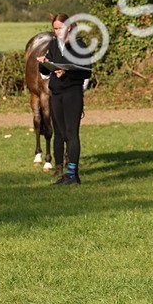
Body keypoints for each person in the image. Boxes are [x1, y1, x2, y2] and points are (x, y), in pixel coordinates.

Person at [36, 14, 92, 185]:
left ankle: (73, 174)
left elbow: (86, 72)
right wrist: (44, 63)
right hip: (56, 92)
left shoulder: (79, 45)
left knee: (71, 133)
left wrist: (67, 71)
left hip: (72, 93)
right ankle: (63, 173)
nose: (57, 31)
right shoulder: (53, 44)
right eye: (55, 28)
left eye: (60, 27)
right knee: (59, 133)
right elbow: (45, 73)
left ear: (69, 27)